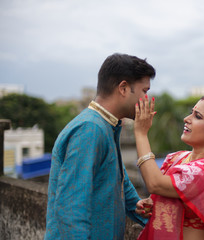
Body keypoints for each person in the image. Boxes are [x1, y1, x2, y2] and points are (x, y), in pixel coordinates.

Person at [45, 53, 156, 240]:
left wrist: (137, 205)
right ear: (123, 88)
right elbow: (71, 210)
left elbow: (116, 178)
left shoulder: (106, 125)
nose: (147, 98)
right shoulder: (90, 129)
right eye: (144, 91)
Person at [133, 94, 204, 240]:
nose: (186, 119)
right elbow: (164, 192)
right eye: (191, 112)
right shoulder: (177, 158)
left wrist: (141, 134)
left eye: (197, 116)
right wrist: (152, 204)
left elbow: (155, 184)